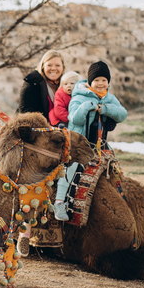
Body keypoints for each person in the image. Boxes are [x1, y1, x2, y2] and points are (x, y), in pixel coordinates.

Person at [53, 61, 128, 222]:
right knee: (70, 168)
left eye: (104, 80)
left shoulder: (109, 98)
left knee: (113, 168)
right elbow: (75, 118)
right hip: (78, 142)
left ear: (108, 82)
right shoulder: (79, 96)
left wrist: (106, 109)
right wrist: (87, 106)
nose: (100, 83)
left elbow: (123, 114)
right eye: (97, 80)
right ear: (89, 81)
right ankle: (59, 202)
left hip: (99, 143)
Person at [16, 50, 65, 122]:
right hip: (38, 130)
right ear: (43, 66)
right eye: (49, 65)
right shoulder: (33, 83)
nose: (54, 68)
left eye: (57, 65)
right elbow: (25, 114)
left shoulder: (66, 85)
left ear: (63, 67)